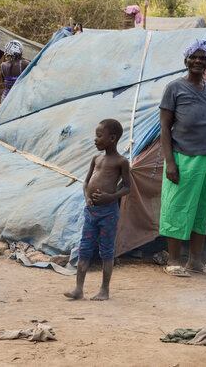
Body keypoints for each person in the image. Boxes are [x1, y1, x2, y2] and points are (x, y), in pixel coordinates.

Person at [159, 40, 206, 277]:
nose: (198, 61)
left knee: (201, 210)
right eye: (193, 57)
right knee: (177, 208)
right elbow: (164, 128)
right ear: (186, 61)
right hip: (183, 158)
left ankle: (195, 261)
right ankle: (173, 261)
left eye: (202, 58)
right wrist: (170, 162)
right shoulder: (174, 88)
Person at [64, 119, 133, 301]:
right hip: (91, 212)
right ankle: (78, 288)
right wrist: (87, 197)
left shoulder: (121, 161)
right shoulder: (96, 159)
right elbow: (86, 182)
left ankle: (104, 289)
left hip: (108, 213)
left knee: (107, 250)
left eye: (99, 136)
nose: (95, 139)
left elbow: (127, 188)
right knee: (84, 248)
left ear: (112, 138)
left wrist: (109, 197)